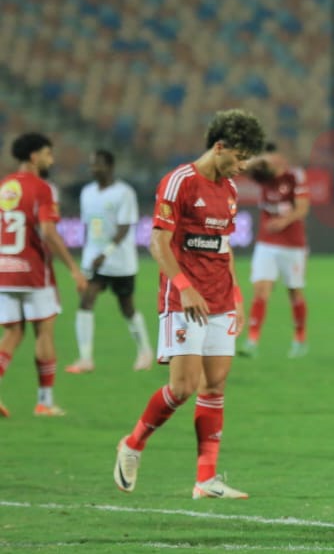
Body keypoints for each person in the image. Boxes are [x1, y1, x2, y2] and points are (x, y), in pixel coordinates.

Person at [113, 109, 266, 499]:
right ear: (220, 147)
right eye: (240, 157)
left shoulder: (229, 191)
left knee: (215, 385)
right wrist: (184, 287)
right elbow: (157, 243)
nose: (243, 166)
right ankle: (132, 444)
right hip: (184, 300)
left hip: (219, 298)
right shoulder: (179, 181)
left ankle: (205, 479)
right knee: (183, 387)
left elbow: (224, 248)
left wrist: (236, 296)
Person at [0, 133, 88, 417]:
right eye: (48, 154)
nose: (51, 160)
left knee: (13, 332)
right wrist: (73, 268)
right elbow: (48, 232)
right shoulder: (42, 188)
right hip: (34, 272)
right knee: (44, 331)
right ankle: (45, 402)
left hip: (5, 269)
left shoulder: (4, 185)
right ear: (34, 156)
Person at [65, 149, 154, 373]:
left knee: (127, 308)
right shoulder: (87, 192)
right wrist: (88, 257)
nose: (93, 169)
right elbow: (89, 227)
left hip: (121, 262)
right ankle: (85, 359)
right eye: (91, 164)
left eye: (98, 164)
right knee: (86, 302)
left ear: (110, 167)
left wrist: (106, 253)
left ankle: (145, 351)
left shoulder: (124, 193)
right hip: (95, 261)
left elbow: (124, 228)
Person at [240, 142, 310, 359]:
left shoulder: (295, 176)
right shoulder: (262, 175)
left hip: (292, 244)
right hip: (266, 243)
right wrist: (259, 159)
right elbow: (242, 166)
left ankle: (300, 339)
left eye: (272, 157)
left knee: (294, 291)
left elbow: (303, 208)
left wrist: (283, 222)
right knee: (260, 289)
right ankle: (252, 341)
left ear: (282, 157)